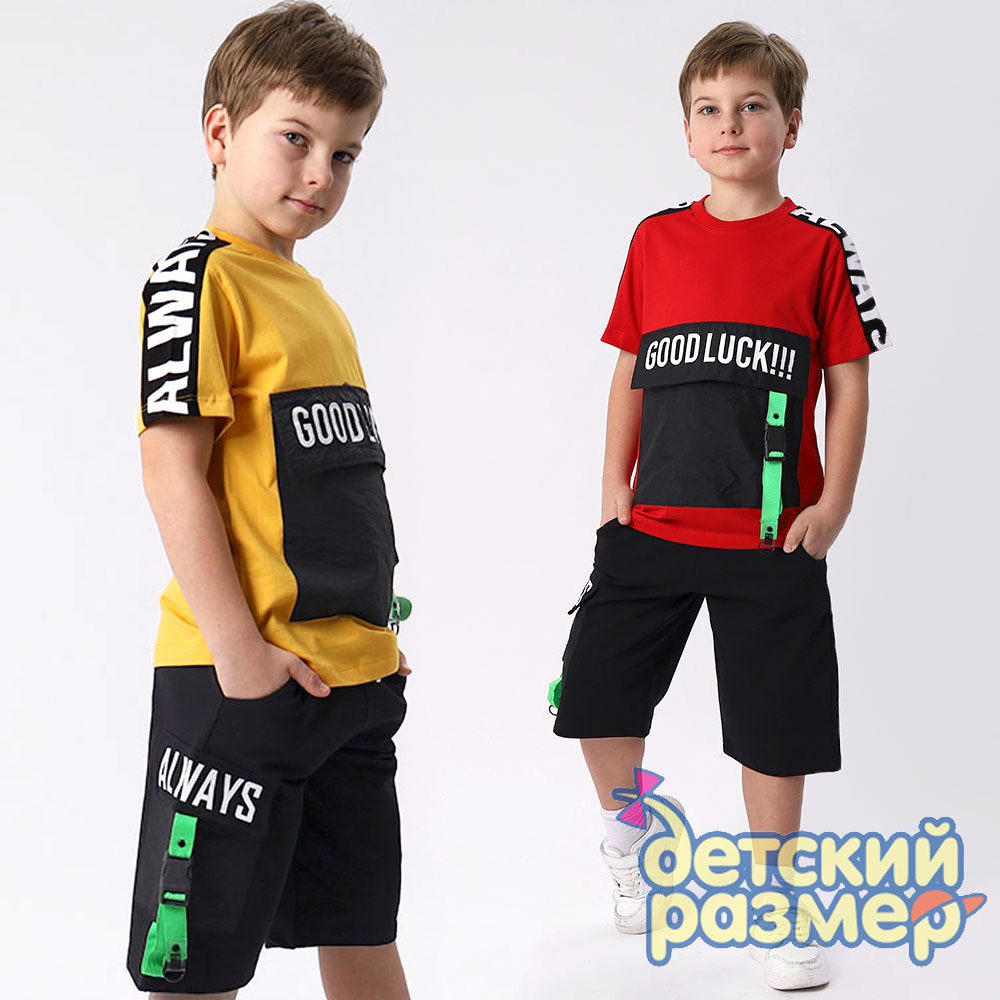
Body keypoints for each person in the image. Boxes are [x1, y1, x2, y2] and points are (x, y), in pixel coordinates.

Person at [551, 19, 891, 991]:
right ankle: (631, 844)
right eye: (709, 108)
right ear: (687, 130)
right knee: (594, 696)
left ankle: (777, 897)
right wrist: (612, 486)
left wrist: (836, 503)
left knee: (774, 728)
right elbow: (629, 368)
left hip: (771, 536)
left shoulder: (820, 248)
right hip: (652, 524)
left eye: (752, 106)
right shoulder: (655, 239)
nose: (730, 124)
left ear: (791, 124)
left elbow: (849, 381)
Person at [125, 4, 412, 997]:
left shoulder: (316, 300)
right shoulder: (196, 280)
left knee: (360, 930)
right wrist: (239, 654)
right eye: (296, 138)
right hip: (237, 681)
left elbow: (333, 490)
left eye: (345, 154)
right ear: (220, 132)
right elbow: (171, 469)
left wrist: (370, 637)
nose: (320, 173)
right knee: (191, 963)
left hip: (349, 683)